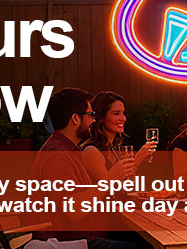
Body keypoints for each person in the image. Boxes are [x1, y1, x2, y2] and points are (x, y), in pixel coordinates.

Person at [28, 87, 139, 249]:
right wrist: (110, 179)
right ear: (75, 118)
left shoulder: (68, 150)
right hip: (67, 242)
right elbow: (75, 210)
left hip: (82, 236)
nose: (93, 120)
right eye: (90, 115)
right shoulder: (57, 155)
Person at [80, 91, 156, 182]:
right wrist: (138, 157)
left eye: (123, 113)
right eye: (116, 113)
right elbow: (109, 189)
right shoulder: (92, 151)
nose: (123, 118)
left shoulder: (115, 150)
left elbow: (127, 183)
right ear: (101, 118)